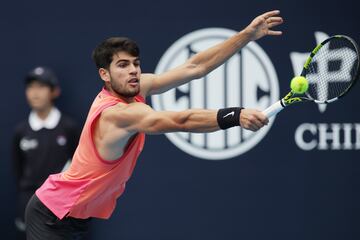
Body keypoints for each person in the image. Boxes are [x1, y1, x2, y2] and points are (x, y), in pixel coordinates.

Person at [25, 10, 283, 239]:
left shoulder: (137, 87)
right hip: (52, 215)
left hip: (77, 218)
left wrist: (246, 36)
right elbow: (180, 120)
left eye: (136, 64)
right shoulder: (117, 113)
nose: (133, 71)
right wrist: (235, 115)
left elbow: (196, 66)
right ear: (104, 74)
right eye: (123, 65)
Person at [12, 66, 79, 240]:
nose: (35, 93)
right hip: (28, 203)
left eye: (41, 87)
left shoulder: (69, 128)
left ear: (54, 91)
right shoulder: (20, 131)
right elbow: (18, 170)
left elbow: (80, 166)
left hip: (61, 207)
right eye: (31, 87)